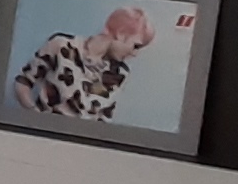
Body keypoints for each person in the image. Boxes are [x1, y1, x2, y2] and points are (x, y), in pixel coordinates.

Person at [12, 6, 155, 120]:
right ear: (121, 33)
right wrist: (34, 115)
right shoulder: (61, 45)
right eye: (136, 46)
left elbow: (103, 116)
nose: (135, 54)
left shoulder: (119, 73)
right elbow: (23, 82)